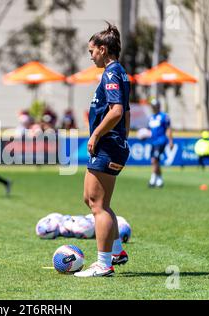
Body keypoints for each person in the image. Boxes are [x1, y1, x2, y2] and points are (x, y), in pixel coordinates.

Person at [74, 22, 130, 278]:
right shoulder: (118, 72)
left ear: (103, 49)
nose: (91, 56)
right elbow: (125, 112)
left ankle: (103, 264)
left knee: (98, 205)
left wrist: (97, 134)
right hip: (113, 144)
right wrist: (122, 139)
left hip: (107, 145)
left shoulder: (111, 73)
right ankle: (116, 251)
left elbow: (117, 111)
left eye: (92, 51)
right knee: (93, 200)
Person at [147, 99, 173, 188]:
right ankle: (160, 180)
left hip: (161, 141)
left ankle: (152, 180)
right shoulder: (151, 117)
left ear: (159, 106)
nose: (154, 108)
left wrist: (170, 141)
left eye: (155, 106)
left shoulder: (164, 116)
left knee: (154, 160)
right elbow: (149, 131)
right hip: (153, 142)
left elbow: (168, 129)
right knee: (155, 161)